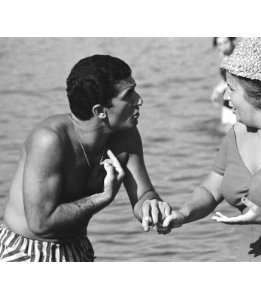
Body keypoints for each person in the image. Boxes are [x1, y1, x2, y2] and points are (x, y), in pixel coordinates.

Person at [0, 54, 171, 262]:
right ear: (99, 111)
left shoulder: (126, 134)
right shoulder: (49, 140)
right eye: (129, 95)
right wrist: (102, 198)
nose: (140, 100)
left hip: (78, 249)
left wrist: (152, 205)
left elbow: (143, 193)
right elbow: (41, 223)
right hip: (23, 253)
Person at [163, 38, 261, 260]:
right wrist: (182, 214)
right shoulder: (236, 134)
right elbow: (211, 189)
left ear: (259, 95)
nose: (226, 97)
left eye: (231, 89)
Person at [211, 37, 237, 132]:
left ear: (232, 41)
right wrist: (216, 90)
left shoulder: (238, 57)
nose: (223, 46)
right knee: (227, 130)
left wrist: (219, 89)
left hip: (237, 101)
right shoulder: (224, 57)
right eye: (220, 44)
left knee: (234, 132)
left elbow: (235, 80)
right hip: (227, 99)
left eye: (225, 42)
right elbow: (225, 80)